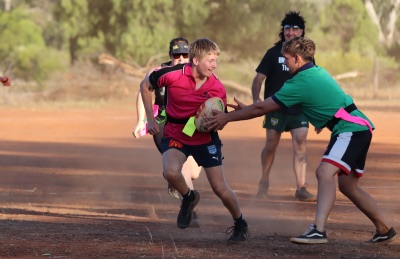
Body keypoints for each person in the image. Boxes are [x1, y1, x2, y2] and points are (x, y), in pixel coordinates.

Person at [205, 37, 397, 245]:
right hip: (356, 127)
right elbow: (269, 106)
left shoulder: (300, 81)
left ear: (297, 58)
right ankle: (383, 229)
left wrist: (227, 117)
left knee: (324, 172)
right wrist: (247, 110)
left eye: (286, 59)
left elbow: (262, 108)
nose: (285, 63)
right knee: (348, 186)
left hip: (350, 129)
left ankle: (319, 230)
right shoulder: (315, 72)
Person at [140, 38, 248, 243]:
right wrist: (150, 118)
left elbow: (222, 121)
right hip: (176, 132)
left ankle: (240, 222)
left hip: (205, 138)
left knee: (220, 188)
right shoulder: (172, 75)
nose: (214, 65)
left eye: (216, 60)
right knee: (170, 172)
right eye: (211, 60)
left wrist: (217, 122)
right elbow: (145, 85)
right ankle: (188, 197)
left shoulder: (217, 87)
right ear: (196, 60)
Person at [251, 11, 316, 201]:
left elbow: (312, 81)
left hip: (299, 108)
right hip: (275, 107)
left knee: (300, 144)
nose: (290, 32)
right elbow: (258, 79)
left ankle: (301, 187)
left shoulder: (307, 56)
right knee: (271, 145)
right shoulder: (273, 53)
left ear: (301, 31)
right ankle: (264, 181)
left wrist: (315, 111)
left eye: (294, 28)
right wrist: (257, 101)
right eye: (287, 28)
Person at [132, 37, 202, 200]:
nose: (181, 59)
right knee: (182, 163)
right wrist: (142, 120)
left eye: (185, 55)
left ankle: (172, 176)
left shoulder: (196, 73)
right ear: (170, 55)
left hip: (189, 122)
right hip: (163, 122)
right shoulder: (158, 72)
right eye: (177, 56)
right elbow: (143, 92)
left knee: (194, 172)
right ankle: (190, 208)